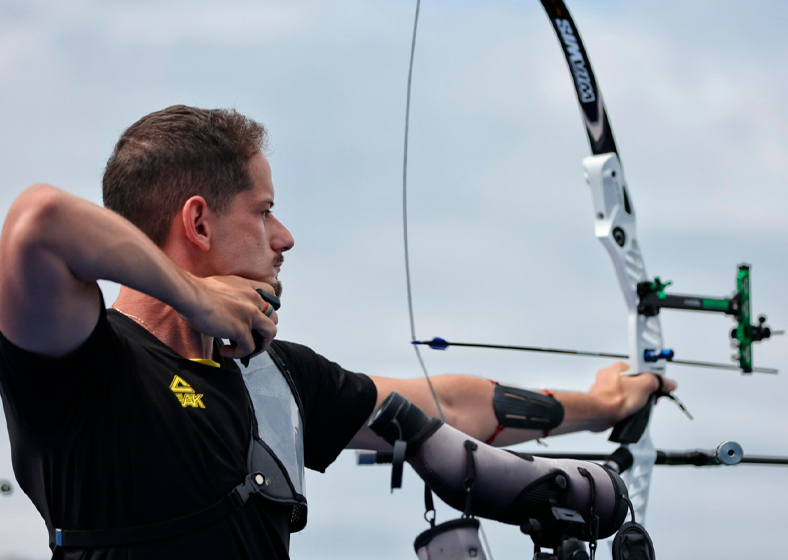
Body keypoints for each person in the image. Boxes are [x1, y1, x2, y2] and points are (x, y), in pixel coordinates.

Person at [0, 105, 675, 559]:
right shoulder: (86, 368)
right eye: (263, 212)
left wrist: (601, 406)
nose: (285, 237)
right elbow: (38, 222)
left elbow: (445, 407)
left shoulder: (274, 379)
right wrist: (200, 301)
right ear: (199, 223)